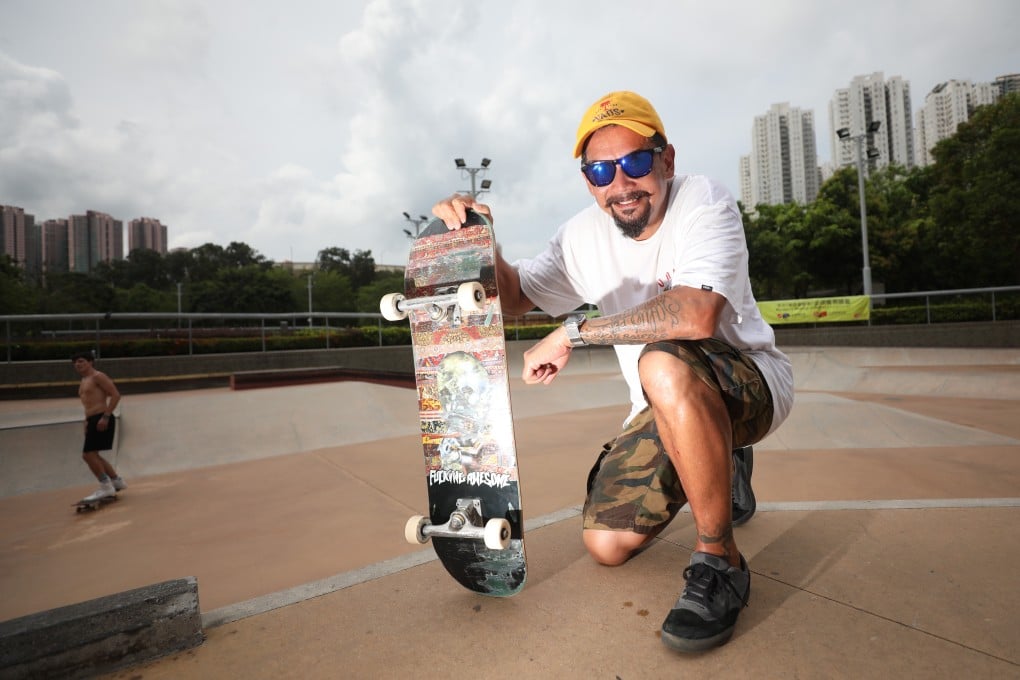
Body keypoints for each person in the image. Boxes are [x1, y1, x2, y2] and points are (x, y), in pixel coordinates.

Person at [433, 91, 794, 653]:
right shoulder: (580, 235)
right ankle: (721, 462)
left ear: (666, 160)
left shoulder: (704, 203)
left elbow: (696, 315)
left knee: (662, 358)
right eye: (602, 170)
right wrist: (483, 242)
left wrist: (575, 331)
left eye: (636, 162)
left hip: (749, 382)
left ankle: (720, 561)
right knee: (606, 543)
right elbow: (514, 299)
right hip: (661, 400)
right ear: (588, 182)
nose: (621, 183)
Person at [72, 352, 127, 501]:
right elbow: (88, 402)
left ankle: (106, 487)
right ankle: (116, 481)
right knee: (93, 454)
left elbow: (115, 395)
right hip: (92, 420)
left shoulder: (98, 377)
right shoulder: (84, 380)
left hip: (102, 418)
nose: (78, 364)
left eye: (81, 361)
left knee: (88, 455)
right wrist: (86, 420)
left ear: (91, 362)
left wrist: (106, 416)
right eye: (75, 362)